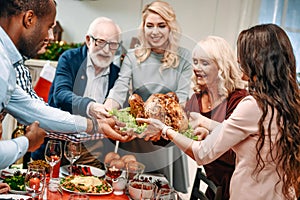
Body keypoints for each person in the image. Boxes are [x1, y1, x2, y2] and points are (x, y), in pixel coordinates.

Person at [138, 24, 300, 200]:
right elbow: (253, 136)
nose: (238, 59)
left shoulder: (253, 104)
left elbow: (202, 153)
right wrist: (209, 127)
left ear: (257, 60)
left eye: (242, 54)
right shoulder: (288, 103)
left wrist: (164, 129)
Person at [0, 0, 132, 169]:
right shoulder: (4, 66)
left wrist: (96, 125)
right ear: (29, 19)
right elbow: (59, 96)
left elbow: (35, 110)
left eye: (113, 45)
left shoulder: (9, 64)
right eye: (49, 27)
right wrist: (26, 142)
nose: (50, 37)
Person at [104, 0, 193, 192]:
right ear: (143, 28)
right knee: (130, 189)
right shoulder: (133, 56)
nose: (155, 31)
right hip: (139, 138)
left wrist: (162, 127)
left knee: (162, 192)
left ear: (171, 28)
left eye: (161, 25)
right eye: (149, 25)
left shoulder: (184, 58)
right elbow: (120, 88)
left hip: (167, 138)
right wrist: (107, 109)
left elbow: (182, 100)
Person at [44, 17, 122, 168]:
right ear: (88, 40)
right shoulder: (69, 59)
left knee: (89, 187)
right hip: (58, 147)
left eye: (113, 45)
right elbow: (60, 94)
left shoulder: (117, 74)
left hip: (94, 153)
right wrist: (91, 107)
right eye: (101, 42)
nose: (106, 50)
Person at [183, 36, 248, 200]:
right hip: (214, 185)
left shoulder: (239, 100)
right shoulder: (198, 98)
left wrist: (205, 133)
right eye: (195, 62)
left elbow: (236, 153)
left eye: (205, 63)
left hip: (237, 187)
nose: (197, 68)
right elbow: (180, 132)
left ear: (221, 67)